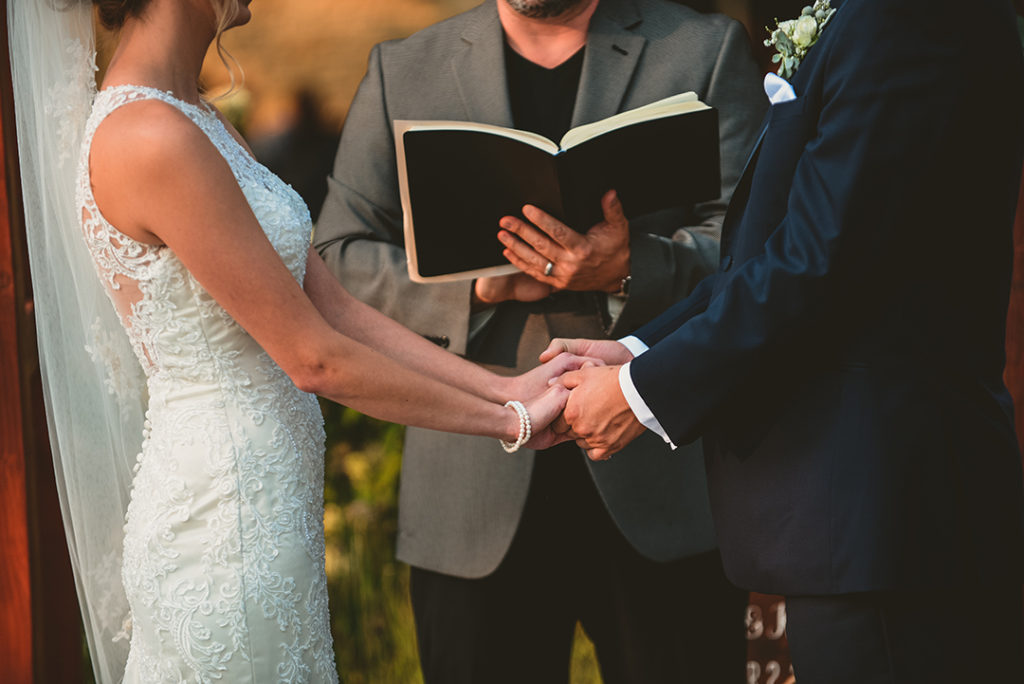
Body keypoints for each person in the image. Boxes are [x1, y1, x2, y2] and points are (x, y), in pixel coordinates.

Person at [9, 0, 583, 681]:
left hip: (268, 511)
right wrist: (509, 422)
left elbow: (334, 309)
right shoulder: (148, 136)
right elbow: (314, 358)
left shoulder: (196, 117)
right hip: (223, 526)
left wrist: (506, 386)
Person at [543, 0, 1024, 681]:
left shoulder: (908, 19)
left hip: (886, 515)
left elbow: (818, 263)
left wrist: (637, 393)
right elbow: (783, 250)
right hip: (866, 524)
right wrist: (638, 351)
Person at [314, 0, 764, 681]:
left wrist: (629, 267)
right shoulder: (404, 68)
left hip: (659, 479)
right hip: (470, 486)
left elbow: (757, 241)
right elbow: (337, 257)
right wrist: (475, 288)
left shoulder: (703, 51)